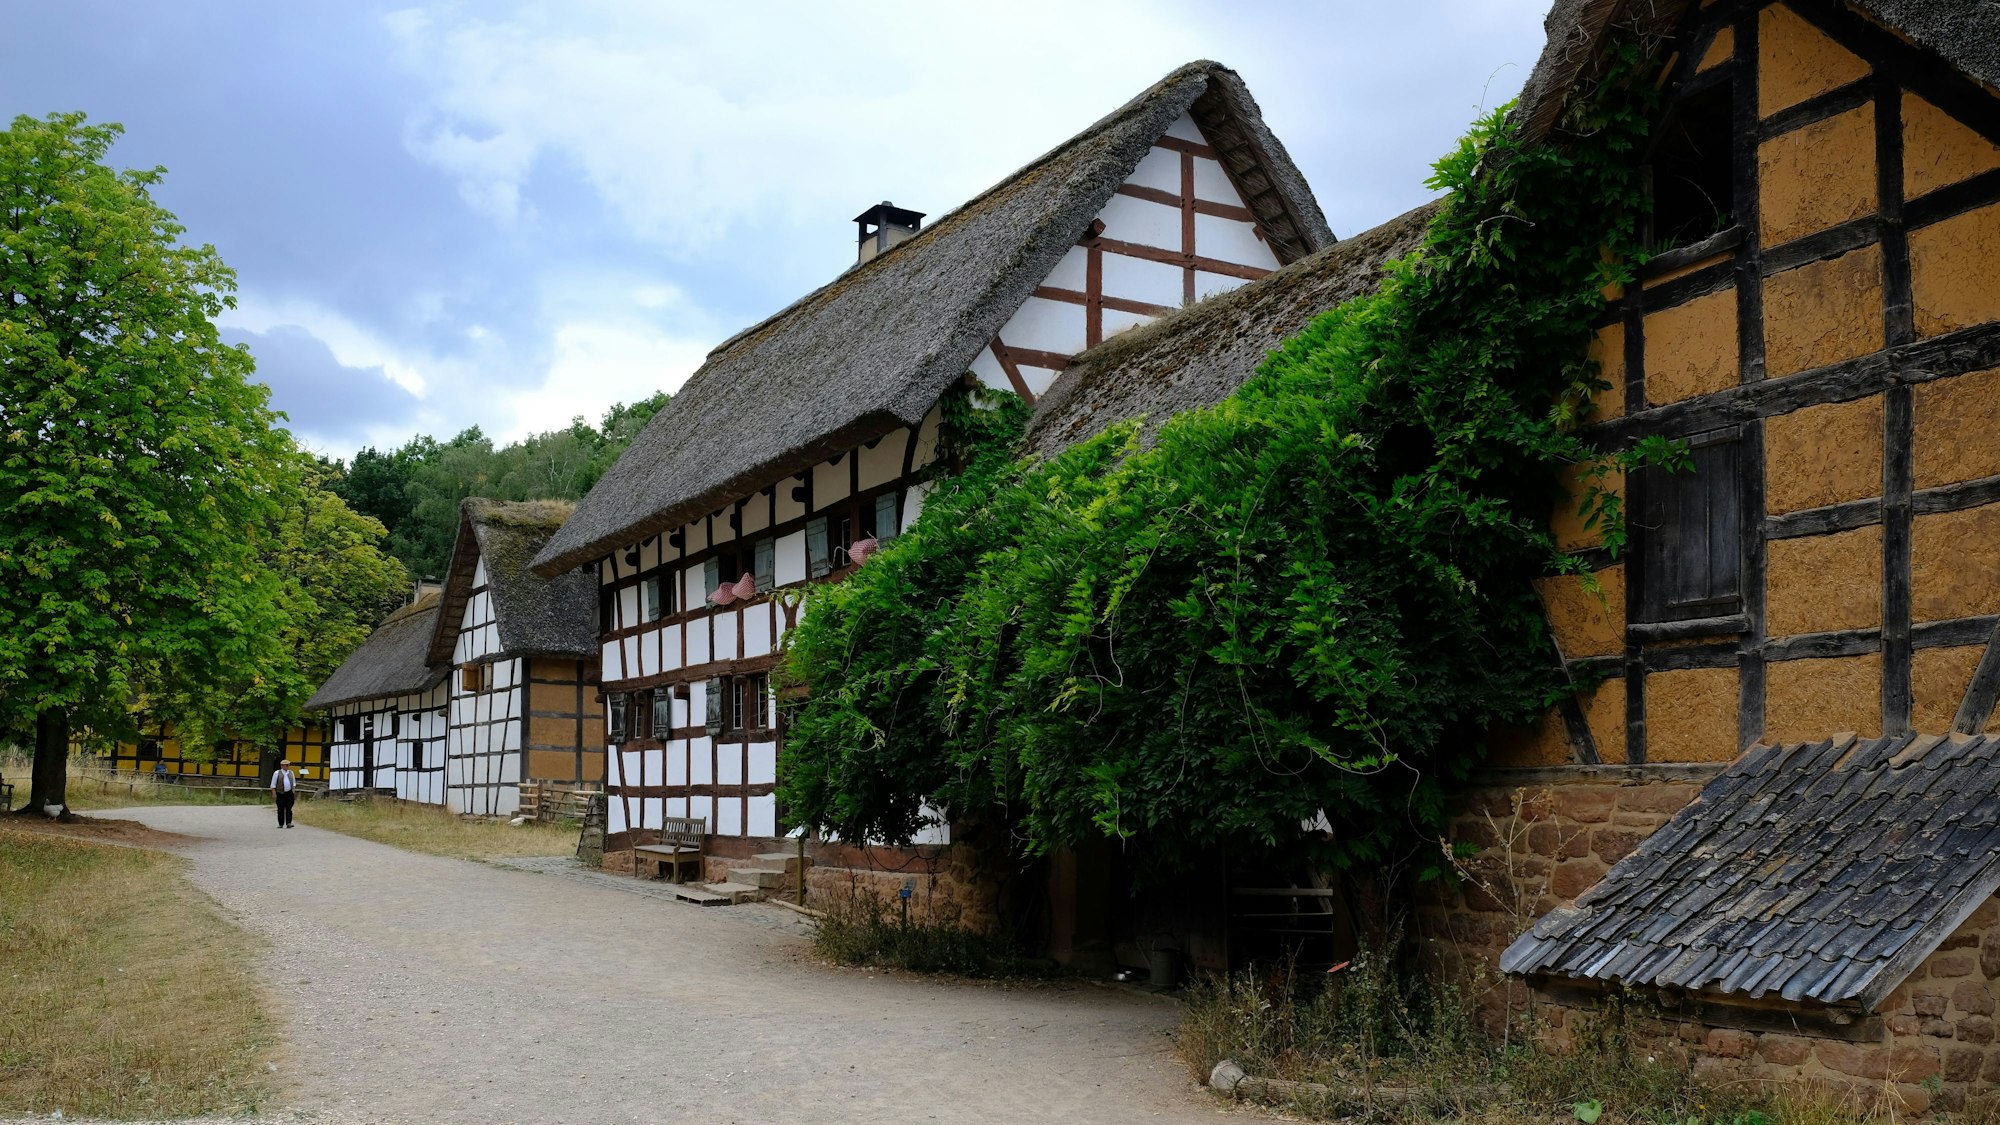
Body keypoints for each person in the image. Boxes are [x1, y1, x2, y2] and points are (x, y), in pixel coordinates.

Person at [270, 758, 298, 829]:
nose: (288, 766)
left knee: (289, 808)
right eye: (286, 765)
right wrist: (274, 793)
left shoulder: (291, 773)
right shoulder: (277, 773)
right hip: (280, 793)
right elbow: (273, 784)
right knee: (280, 808)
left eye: (288, 765)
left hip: (289, 793)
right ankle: (281, 823)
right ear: (282, 766)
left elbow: (294, 782)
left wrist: (293, 791)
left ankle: (288, 823)